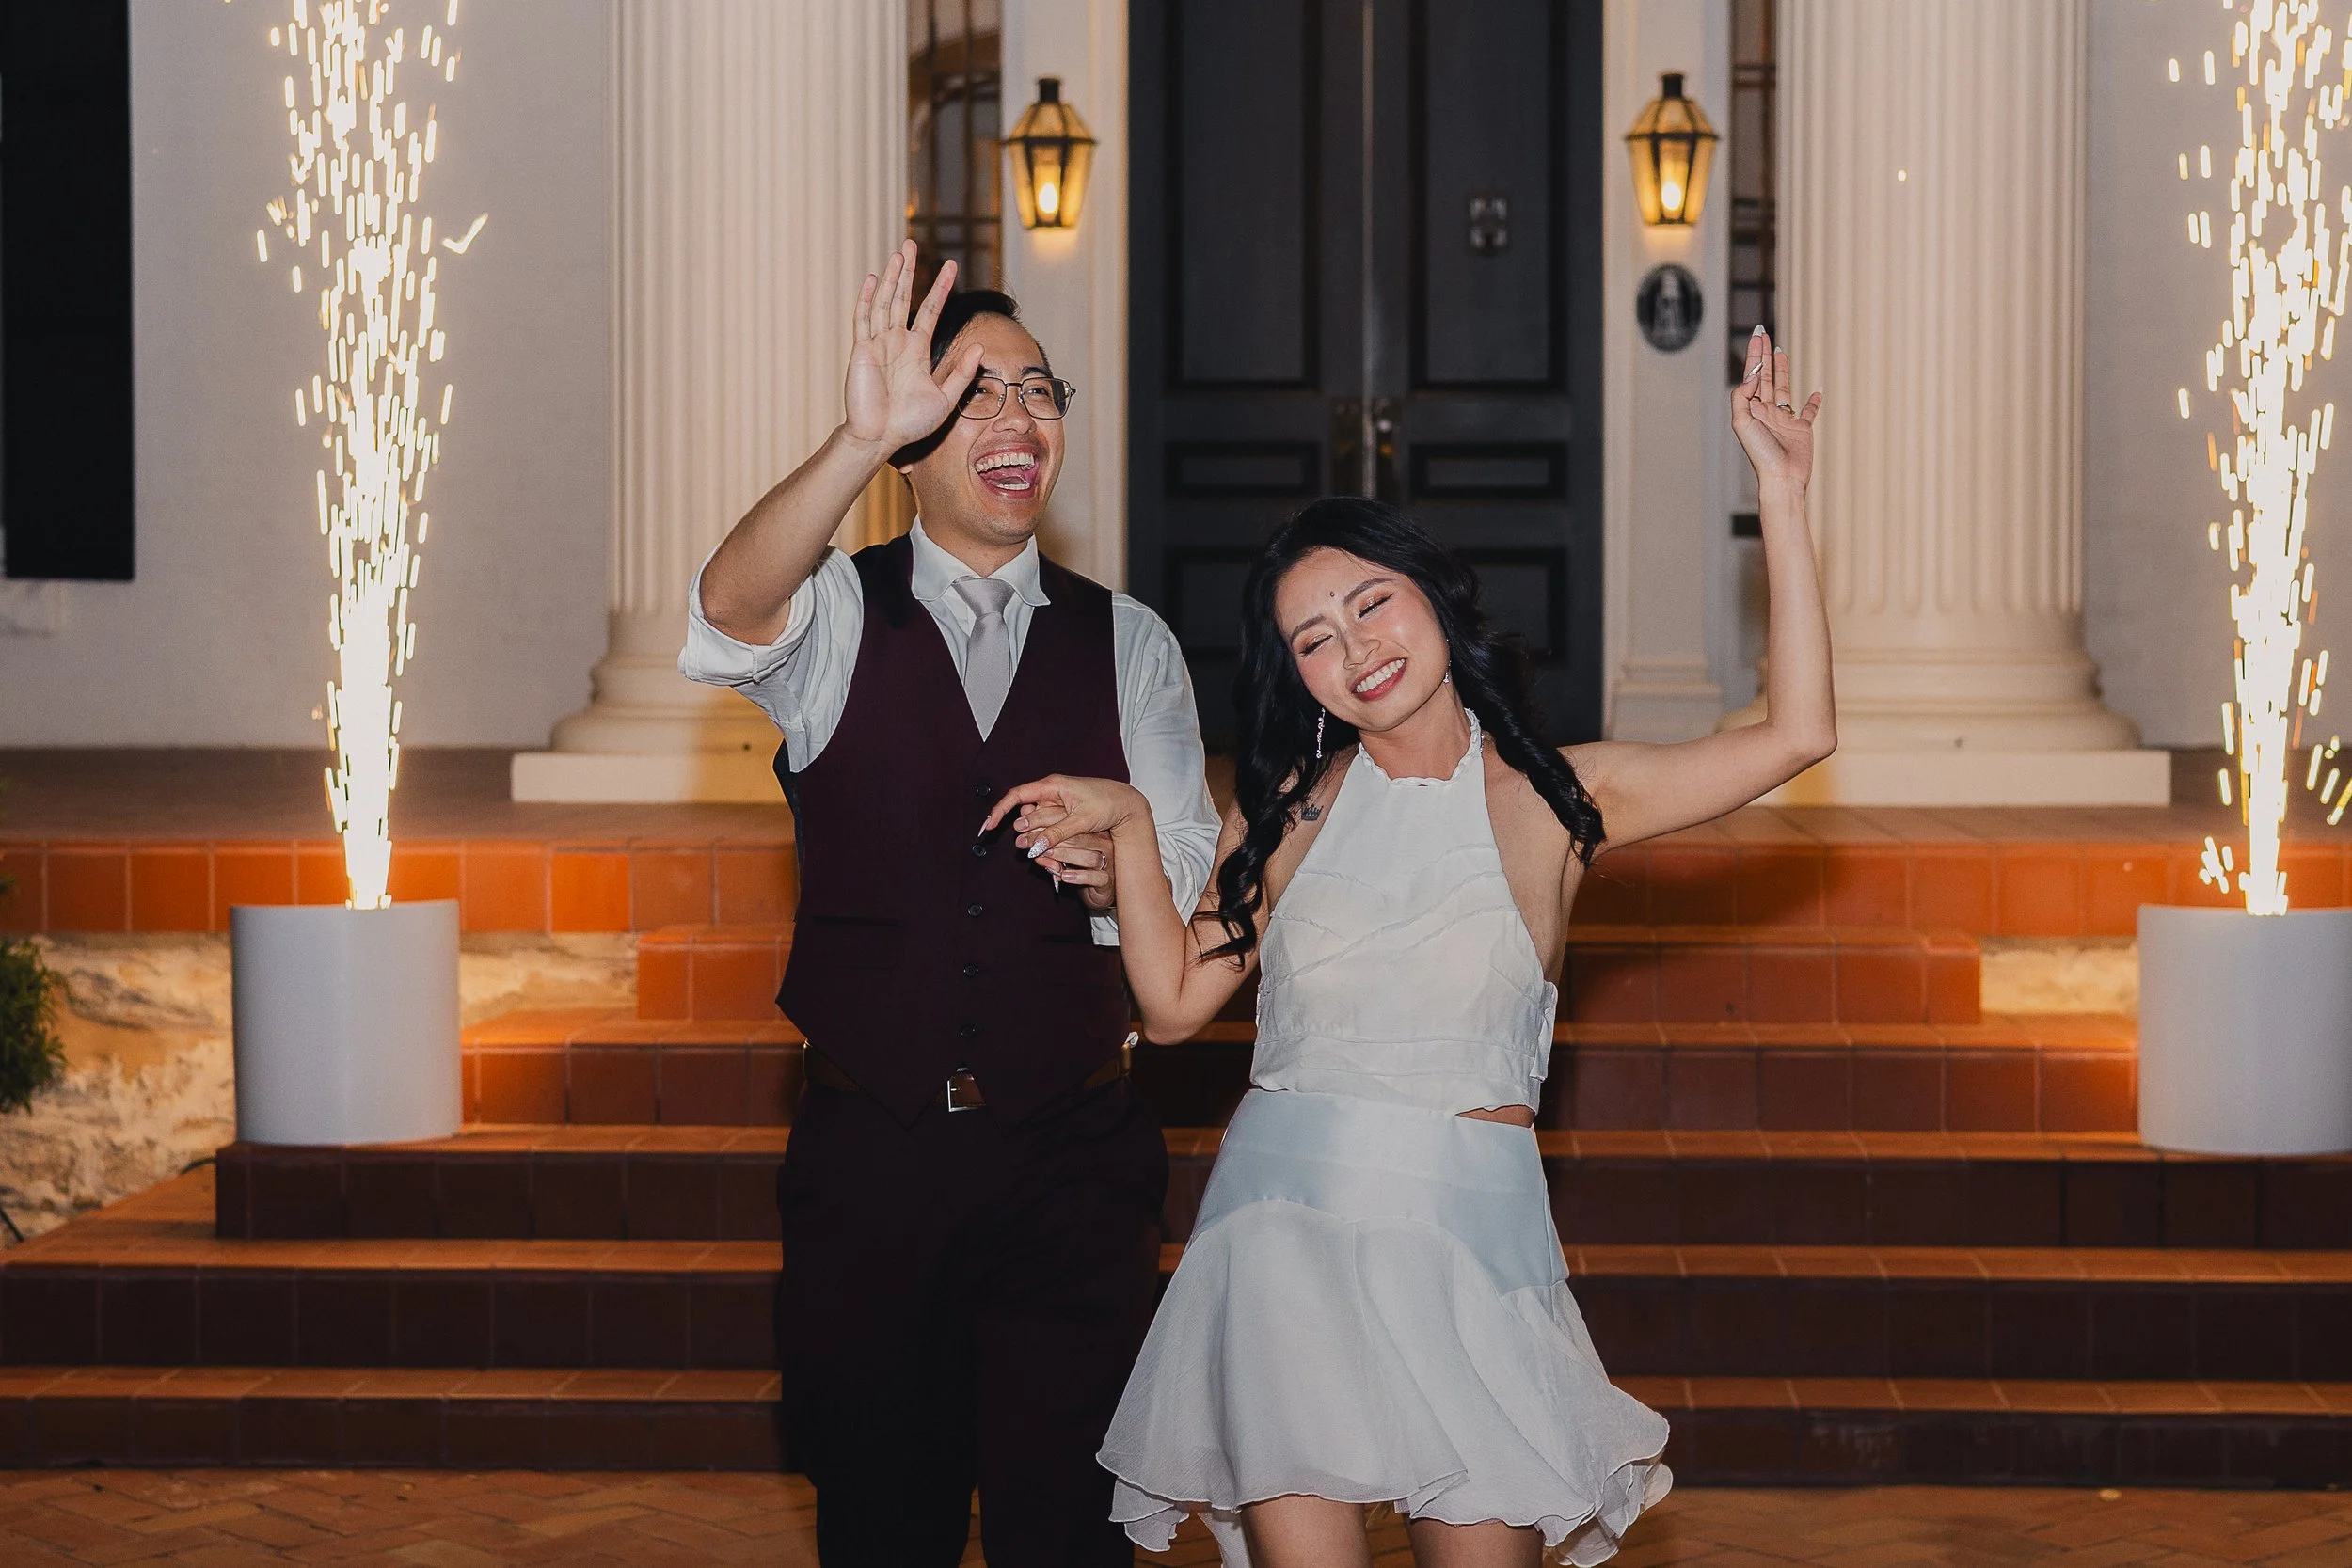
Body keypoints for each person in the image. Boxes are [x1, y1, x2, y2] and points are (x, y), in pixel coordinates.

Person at [982, 325, 1834, 1567]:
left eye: (1369, 602)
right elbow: (1169, 1006)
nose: (1356, 647)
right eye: (1313, 638)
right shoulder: (1286, 807)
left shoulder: (1559, 796)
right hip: (1280, 1238)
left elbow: (1797, 732)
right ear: (1298, 676)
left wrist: (1786, 495)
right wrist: (1120, 823)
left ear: (1430, 592)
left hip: (1472, 1249)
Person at [680, 240, 1221, 1568]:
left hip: (1074, 1158)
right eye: (974, 393)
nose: (1016, 419)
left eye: (1038, 392)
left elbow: (1187, 872)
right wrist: (852, 442)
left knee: (1070, 1535)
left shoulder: (1131, 640)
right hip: (873, 1166)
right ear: (918, 442)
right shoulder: (837, 617)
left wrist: (1122, 874)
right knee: (881, 1524)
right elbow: (722, 612)